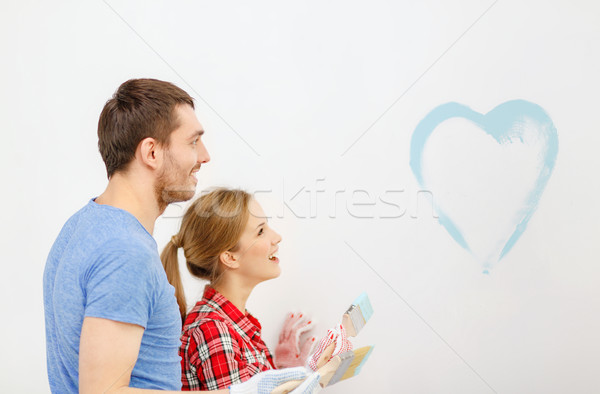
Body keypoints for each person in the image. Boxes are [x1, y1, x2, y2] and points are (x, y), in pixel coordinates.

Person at [43, 78, 320, 394]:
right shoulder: (125, 252)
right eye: (193, 142)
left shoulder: (81, 227)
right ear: (152, 152)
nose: (204, 156)